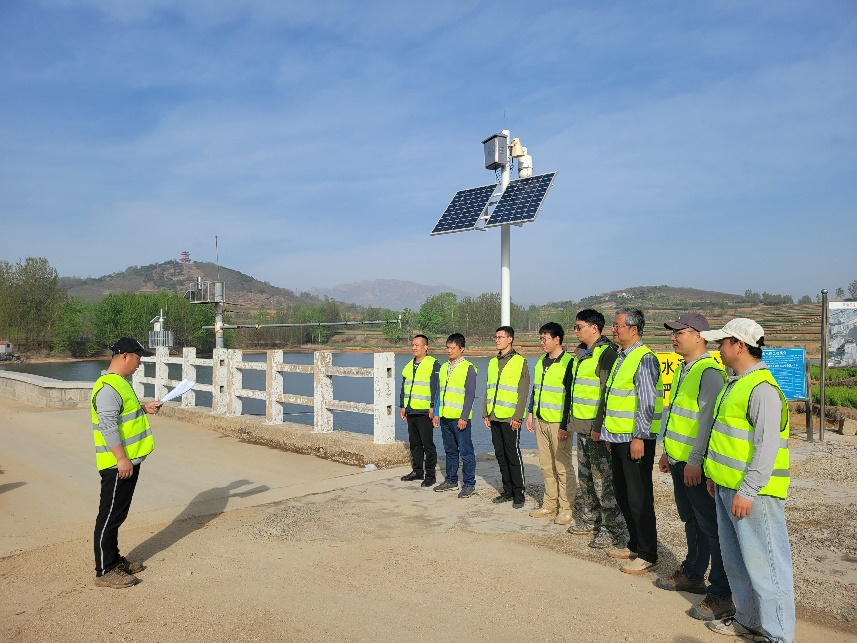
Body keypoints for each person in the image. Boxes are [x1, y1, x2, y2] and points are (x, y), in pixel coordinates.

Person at [700, 319, 795, 643]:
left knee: (767, 567)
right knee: (737, 563)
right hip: (728, 488)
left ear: (740, 345)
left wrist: (748, 489)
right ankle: (749, 620)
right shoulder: (736, 383)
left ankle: (778, 635)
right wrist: (715, 476)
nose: (718, 348)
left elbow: (767, 448)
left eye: (723, 342)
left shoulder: (762, 389)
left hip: (753, 495)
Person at [656, 314, 734, 622]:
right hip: (679, 460)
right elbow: (677, 416)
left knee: (711, 527)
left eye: (680, 332)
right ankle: (692, 573)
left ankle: (721, 592)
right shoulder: (683, 369)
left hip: (693, 464)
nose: (674, 338)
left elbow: (707, 422)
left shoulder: (709, 372)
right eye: (673, 333)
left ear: (699, 335)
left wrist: (695, 461)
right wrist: (667, 452)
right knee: (692, 520)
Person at [91, 337, 161, 588]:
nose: (139, 363)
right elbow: (108, 425)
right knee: (109, 516)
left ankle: (114, 559)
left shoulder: (120, 383)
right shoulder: (108, 387)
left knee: (117, 514)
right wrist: (121, 459)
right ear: (124, 356)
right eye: (138, 358)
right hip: (117, 464)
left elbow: (123, 413)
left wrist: (144, 408)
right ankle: (105, 570)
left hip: (127, 461)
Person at [601, 308, 662, 575]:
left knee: (639, 498)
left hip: (635, 440)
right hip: (618, 438)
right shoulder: (621, 356)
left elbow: (647, 402)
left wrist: (639, 437)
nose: (613, 330)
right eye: (614, 326)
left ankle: (648, 554)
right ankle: (635, 544)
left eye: (618, 326)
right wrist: (608, 434)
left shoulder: (644, 358)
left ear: (634, 329)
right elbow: (615, 399)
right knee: (623, 494)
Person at [566, 309, 625, 549]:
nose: (576, 331)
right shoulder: (581, 353)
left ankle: (612, 528)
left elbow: (605, 394)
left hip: (596, 429)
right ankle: (591, 519)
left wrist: (599, 427)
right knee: (586, 477)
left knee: (603, 481)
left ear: (594, 328)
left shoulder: (606, 353)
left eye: (579, 327)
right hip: (581, 427)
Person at [526, 322, 576, 525]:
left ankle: (566, 508)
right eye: (540, 338)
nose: (542, 342)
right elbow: (535, 390)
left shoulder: (569, 363)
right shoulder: (541, 361)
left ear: (557, 339)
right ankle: (549, 504)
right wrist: (531, 412)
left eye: (545, 338)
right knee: (546, 465)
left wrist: (565, 424)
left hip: (558, 423)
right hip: (541, 419)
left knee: (562, 466)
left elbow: (570, 397)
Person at [483, 326, 530, 509]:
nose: (497, 340)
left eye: (500, 337)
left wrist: (518, 417)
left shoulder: (520, 361)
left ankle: (519, 493)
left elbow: (523, 392)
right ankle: (507, 490)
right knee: (500, 455)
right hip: (494, 415)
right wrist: (485, 413)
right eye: (496, 337)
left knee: (512, 455)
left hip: (510, 417)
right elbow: (489, 388)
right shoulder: (492, 362)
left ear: (510, 339)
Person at [433, 333, 478, 498]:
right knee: (450, 451)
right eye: (447, 347)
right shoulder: (444, 367)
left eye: (453, 348)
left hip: (460, 419)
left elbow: (470, 395)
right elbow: (439, 392)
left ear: (462, 349)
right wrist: (436, 412)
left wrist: (464, 417)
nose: (449, 351)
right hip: (445, 417)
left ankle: (469, 484)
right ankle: (451, 480)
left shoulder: (468, 368)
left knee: (466, 452)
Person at [399, 335, 440, 487]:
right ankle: (417, 471)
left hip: (425, 411)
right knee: (414, 444)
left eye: (417, 345)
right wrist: (403, 406)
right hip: (411, 410)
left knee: (427, 445)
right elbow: (404, 388)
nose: (414, 348)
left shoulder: (433, 364)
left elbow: (436, 388)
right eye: (413, 345)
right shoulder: (409, 365)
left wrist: (433, 407)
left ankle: (430, 475)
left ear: (425, 347)